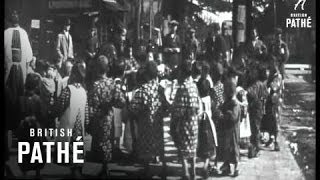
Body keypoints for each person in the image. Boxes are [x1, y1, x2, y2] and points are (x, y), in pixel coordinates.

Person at [87, 55, 126, 177]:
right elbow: (121, 101)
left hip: (98, 117)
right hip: (109, 116)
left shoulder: (95, 85)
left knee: (100, 140)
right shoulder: (112, 84)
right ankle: (105, 167)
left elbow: (91, 103)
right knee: (108, 140)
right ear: (107, 69)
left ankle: (104, 168)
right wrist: (110, 103)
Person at [129, 61, 169, 178]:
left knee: (145, 148)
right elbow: (166, 105)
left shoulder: (143, 90)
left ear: (146, 75)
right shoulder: (160, 89)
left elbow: (134, 108)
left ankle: (147, 170)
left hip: (145, 124)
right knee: (160, 146)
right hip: (158, 123)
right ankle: (164, 168)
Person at [51, 62, 89, 178]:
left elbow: (60, 105)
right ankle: (77, 168)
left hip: (69, 124)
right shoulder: (83, 91)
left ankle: (74, 170)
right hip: (79, 126)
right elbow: (86, 110)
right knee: (78, 145)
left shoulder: (68, 90)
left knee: (69, 146)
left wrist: (54, 114)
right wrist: (86, 124)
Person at [5, 10, 34, 135]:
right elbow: (29, 57)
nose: (15, 17)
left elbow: (28, 56)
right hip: (12, 69)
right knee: (14, 96)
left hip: (16, 69)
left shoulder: (22, 33)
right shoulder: (6, 33)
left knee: (15, 96)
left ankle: (15, 125)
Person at [170, 60, 201, 180]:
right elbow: (198, 104)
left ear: (182, 73)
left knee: (182, 148)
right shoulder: (194, 85)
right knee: (192, 148)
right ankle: (193, 172)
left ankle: (186, 173)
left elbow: (178, 109)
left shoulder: (182, 88)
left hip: (184, 122)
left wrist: (173, 114)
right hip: (194, 122)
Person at [196, 61, 217, 178]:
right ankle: (206, 166)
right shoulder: (210, 99)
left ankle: (205, 165)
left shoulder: (199, 99)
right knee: (209, 145)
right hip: (209, 122)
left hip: (201, 122)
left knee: (203, 144)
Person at [245, 63, 269, 158]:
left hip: (255, 107)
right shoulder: (261, 84)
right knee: (255, 128)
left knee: (254, 128)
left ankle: (256, 148)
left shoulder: (256, 84)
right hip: (258, 107)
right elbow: (266, 94)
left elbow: (250, 93)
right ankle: (255, 147)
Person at [219, 78, 241, 177]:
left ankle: (236, 167)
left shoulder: (234, 104)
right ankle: (227, 166)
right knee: (226, 148)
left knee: (234, 148)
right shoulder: (228, 102)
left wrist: (226, 114)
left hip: (233, 131)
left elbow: (234, 117)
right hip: (226, 130)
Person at [261, 56, 282, 151]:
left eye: (272, 63)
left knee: (275, 121)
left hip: (275, 101)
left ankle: (276, 142)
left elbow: (274, 88)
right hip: (270, 101)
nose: (270, 65)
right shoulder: (270, 75)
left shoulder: (277, 76)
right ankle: (270, 139)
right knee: (269, 120)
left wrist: (267, 88)